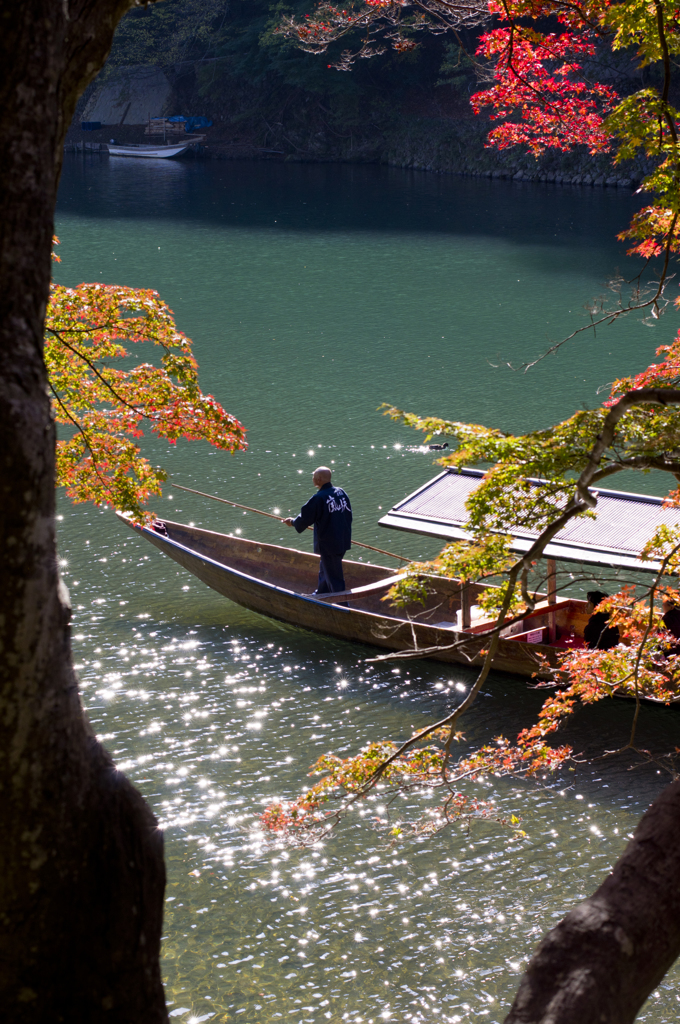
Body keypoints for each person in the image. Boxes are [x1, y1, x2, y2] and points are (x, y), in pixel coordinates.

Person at [283, 467, 352, 594]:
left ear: (318, 479)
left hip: (329, 544)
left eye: (313, 477)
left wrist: (292, 522)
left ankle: (342, 606)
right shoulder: (341, 492)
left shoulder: (319, 498)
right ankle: (322, 593)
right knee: (325, 568)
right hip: (342, 540)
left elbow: (304, 518)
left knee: (335, 578)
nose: (312, 479)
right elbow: (349, 516)